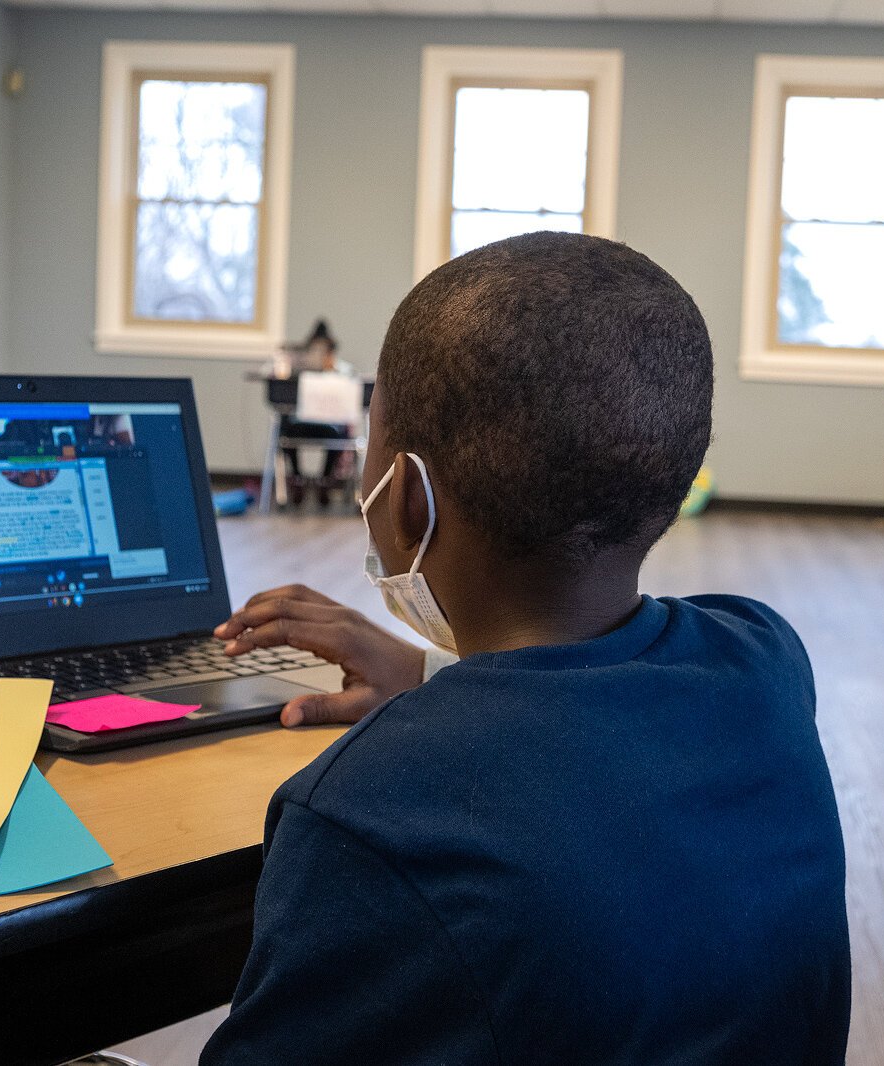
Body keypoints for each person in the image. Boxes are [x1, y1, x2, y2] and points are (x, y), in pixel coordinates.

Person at [202, 232, 850, 1064]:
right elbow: (583, 752)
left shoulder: (368, 808)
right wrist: (434, 677)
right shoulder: (764, 659)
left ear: (404, 499)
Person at [278, 319, 357, 509]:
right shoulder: (297, 372)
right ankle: (296, 477)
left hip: (331, 428)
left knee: (342, 433)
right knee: (283, 427)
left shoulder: (345, 372)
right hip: (301, 425)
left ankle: (326, 479)